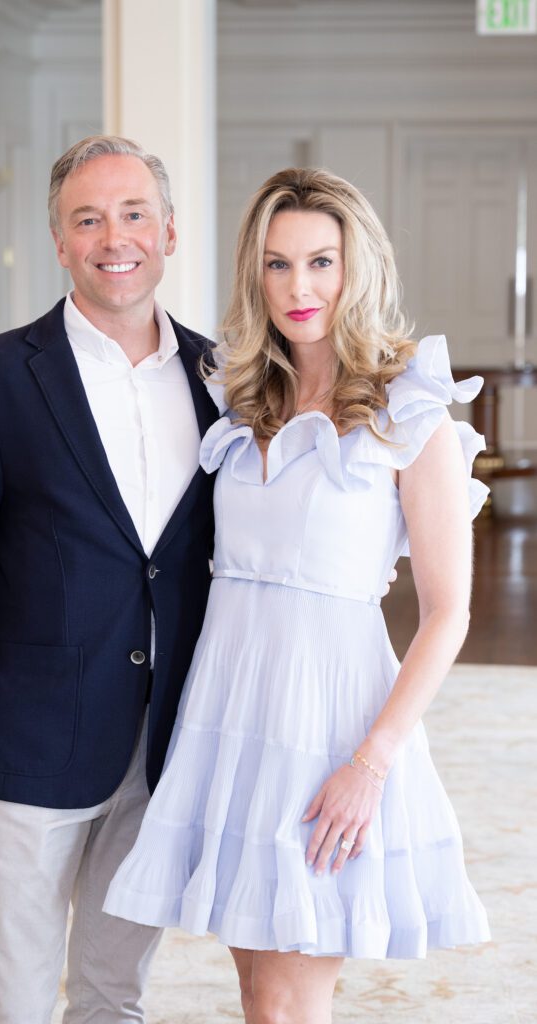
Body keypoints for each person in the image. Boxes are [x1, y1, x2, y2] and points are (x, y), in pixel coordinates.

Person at [103, 167, 491, 1024]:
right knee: (256, 989)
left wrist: (369, 764)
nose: (299, 287)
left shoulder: (409, 410)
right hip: (229, 716)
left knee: (286, 1000)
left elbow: (447, 613)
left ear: (361, 267)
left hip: (327, 727)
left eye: (321, 262)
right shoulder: (242, 398)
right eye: (277, 265)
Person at [0, 135, 222, 1023]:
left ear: (167, 232)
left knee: (116, 992)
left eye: (131, 215)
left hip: (164, 744)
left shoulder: (222, 378)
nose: (111, 237)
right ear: (59, 241)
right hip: (24, 741)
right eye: (87, 219)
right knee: (11, 996)